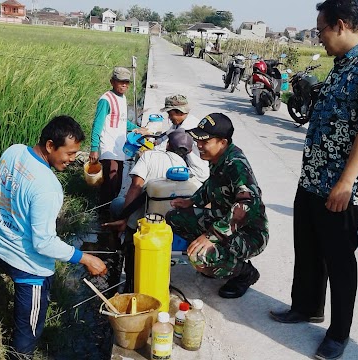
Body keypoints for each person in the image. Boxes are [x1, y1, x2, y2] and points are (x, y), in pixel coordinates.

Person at [269, 1, 358, 359]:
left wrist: (345, 183)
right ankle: (306, 307)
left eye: (321, 29)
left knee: (340, 260)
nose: (319, 37)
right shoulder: (342, 64)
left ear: (340, 25)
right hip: (313, 176)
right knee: (307, 248)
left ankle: (339, 333)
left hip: (339, 185)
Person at [0, 116, 108, 358]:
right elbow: (43, 243)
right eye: (70, 153)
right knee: (28, 333)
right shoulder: (48, 187)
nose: (73, 160)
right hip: (27, 265)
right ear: (50, 145)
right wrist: (85, 258)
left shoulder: (14, 152)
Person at [165, 113, 269, 299]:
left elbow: (247, 203)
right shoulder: (218, 158)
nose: (199, 146)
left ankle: (244, 272)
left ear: (222, 142)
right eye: (198, 140)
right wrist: (193, 200)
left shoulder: (236, 165)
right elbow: (212, 184)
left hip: (250, 232)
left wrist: (211, 236)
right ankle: (217, 259)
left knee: (200, 257)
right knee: (175, 217)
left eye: (205, 141)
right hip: (224, 219)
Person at [103, 129, 202, 292]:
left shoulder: (149, 156)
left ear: (168, 144)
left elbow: (135, 186)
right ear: (188, 151)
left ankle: (120, 260)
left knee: (116, 203)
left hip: (140, 221)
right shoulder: (183, 168)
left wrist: (124, 218)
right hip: (165, 225)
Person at [89, 66, 147, 220]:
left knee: (118, 182)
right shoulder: (105, 100)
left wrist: (138, 129)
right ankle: (103, 214)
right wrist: (94, 148)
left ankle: (110, 211)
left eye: (127, 82)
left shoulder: (122, 98)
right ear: (112, 82)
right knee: (110, 182)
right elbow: (97, 124)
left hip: (120, 147)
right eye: (120, 82)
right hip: (108, 147)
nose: (124, 85)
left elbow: (122, 122)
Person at [155, 94, 209, 183]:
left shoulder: (187, 128)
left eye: (170, 114)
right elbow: (167, 134)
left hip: (196, 172)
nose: (169, 117)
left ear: (179, 112)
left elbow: (160, 148)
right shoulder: (180, 122)